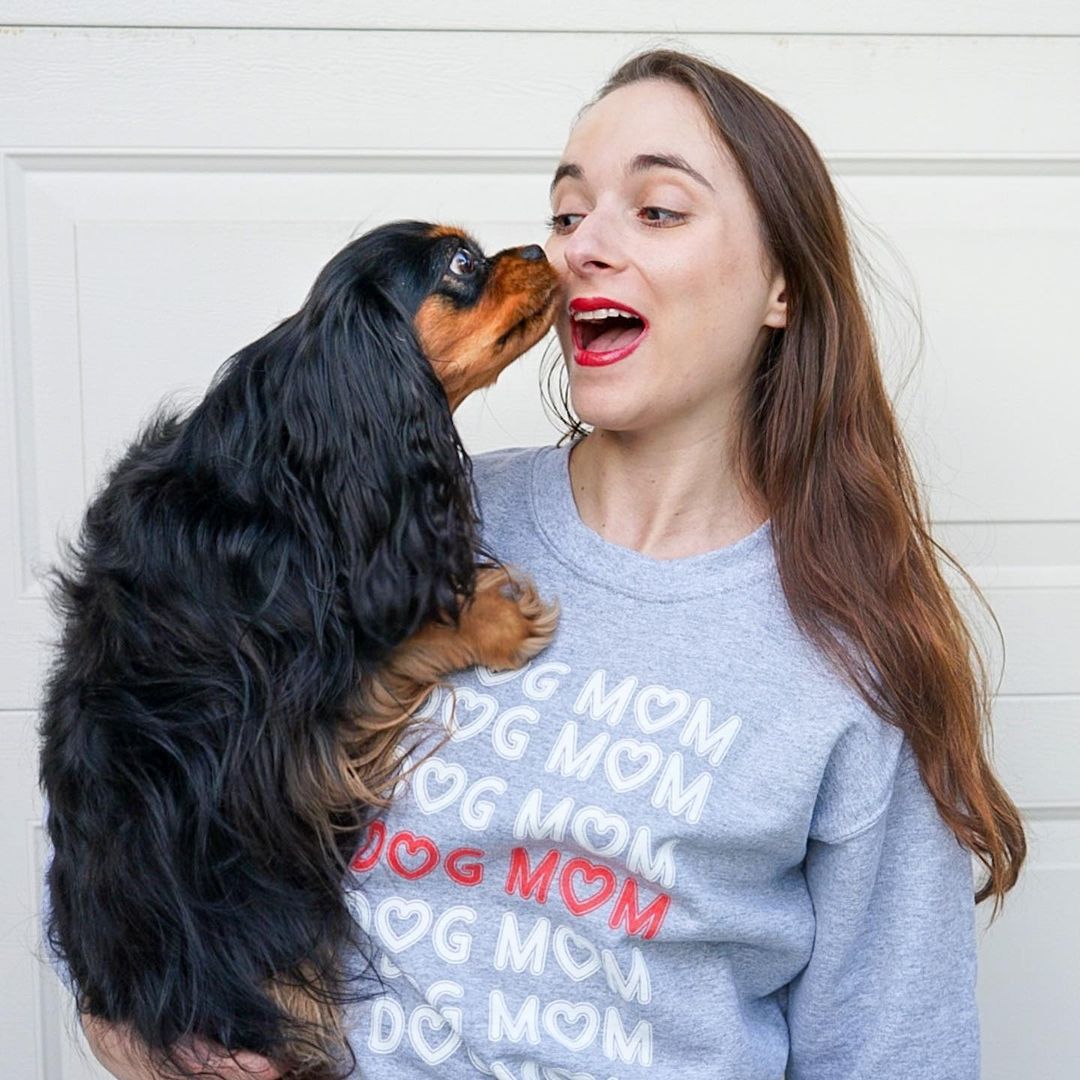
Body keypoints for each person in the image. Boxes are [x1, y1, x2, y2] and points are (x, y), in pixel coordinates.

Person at [78, 47, 1025, 1079]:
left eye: (657, 210)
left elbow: (893, 1051)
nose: (578, 251)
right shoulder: (393, 520)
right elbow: (135, 782)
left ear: (783, 286)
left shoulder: (856, 657)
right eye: (569, 215)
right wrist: (140, 1034)